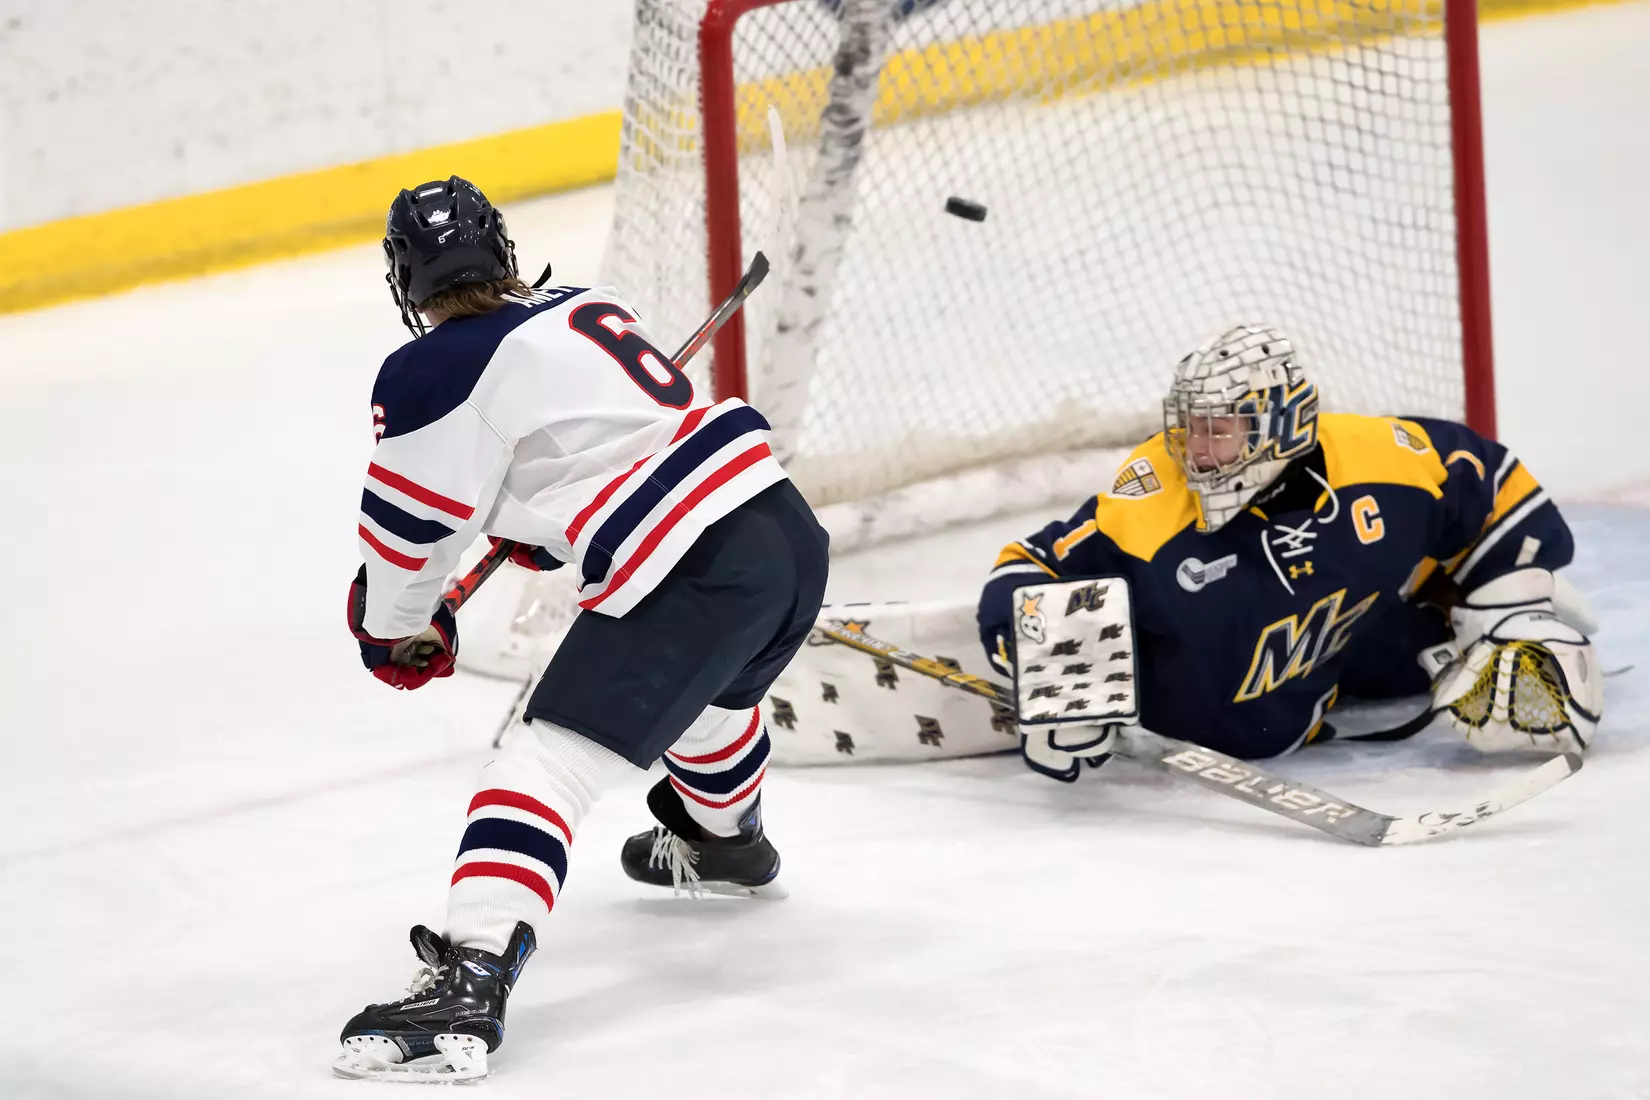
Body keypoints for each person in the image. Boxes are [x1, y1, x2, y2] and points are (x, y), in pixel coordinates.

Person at [335, 177, 829, 1081]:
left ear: (406, 281)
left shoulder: (428, 371)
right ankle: (728, 840)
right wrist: (539, 527)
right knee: (713, 701)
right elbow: (594, 446)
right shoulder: (584, 305)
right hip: (782, 532)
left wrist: (397, 630)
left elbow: (410, 540)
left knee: (544, 760)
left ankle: (471, 970)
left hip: (690, 563)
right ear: (505, 250)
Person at [977, 324, 1601, 779]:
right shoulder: (1149, 502)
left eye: (1219, 429)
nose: (1196, 447)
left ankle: (1476, 612)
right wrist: (1056, 678)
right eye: (1191, 425)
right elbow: (1034, 565)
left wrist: (1514, 608)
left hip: (1354, 652)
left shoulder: (1376, 460)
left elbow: (1487, 480)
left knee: (1494, 639)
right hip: (1196, 693)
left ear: (1281, 427)